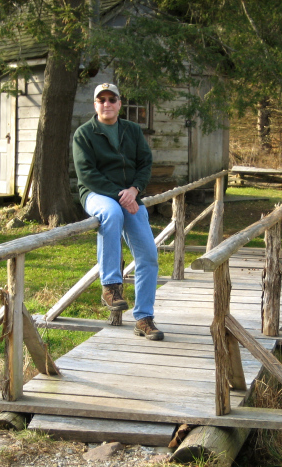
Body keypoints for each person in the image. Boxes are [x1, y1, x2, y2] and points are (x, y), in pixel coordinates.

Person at [72, 83, 164, 341]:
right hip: (96, 194)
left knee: (149, 255)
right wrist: (121, 196)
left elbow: (145, 163)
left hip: (130, 196)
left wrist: (134, 190)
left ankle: (144, 318)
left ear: (119, 103)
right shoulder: (84, 134)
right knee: (111, 213)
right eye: (101, 100)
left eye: (111, 99)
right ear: (95, 105)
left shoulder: (132, 131)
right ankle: (110, 286)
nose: (106, 103)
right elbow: (87, 174)